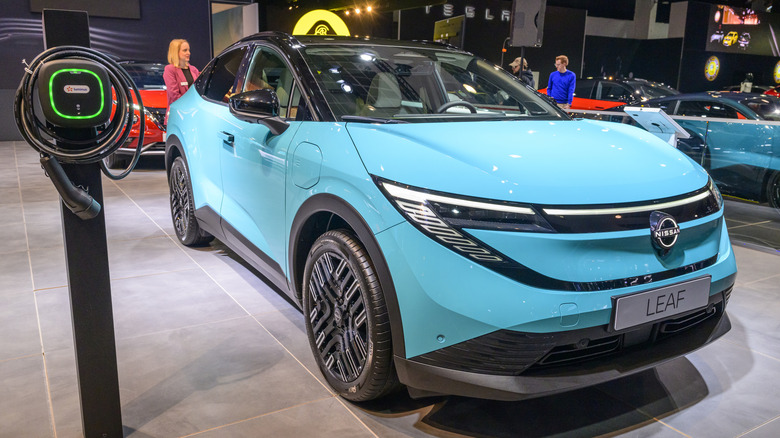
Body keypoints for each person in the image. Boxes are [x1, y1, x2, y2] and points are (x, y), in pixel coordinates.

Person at [163, 39, 199, 124]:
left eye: (189, 50)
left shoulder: (194, 70)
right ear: (176, 52)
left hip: (194, 114)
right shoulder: (170, 69)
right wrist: (189, 106)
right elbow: (174, 94)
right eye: (185, 50)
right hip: (178, 114)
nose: (188, 53)